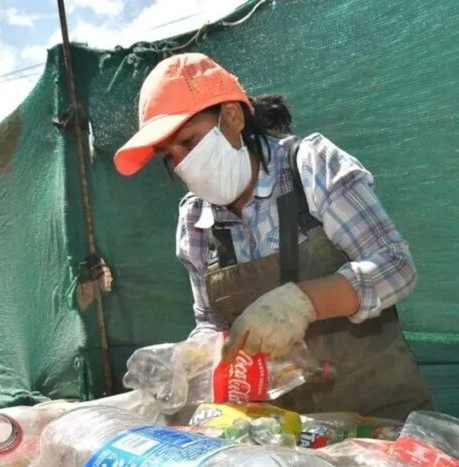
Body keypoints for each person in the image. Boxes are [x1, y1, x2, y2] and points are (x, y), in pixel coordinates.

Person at [114, 53, 433, 420]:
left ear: (232, 117)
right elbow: (211, 321)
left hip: (381, 419)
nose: (181, 164)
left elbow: (395, 264)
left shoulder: (308, 166)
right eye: (167, 156)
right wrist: (194, 358)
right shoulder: (195, 221)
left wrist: (303, 302)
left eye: (188, 142)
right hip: (284, 436)